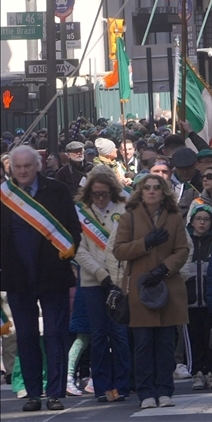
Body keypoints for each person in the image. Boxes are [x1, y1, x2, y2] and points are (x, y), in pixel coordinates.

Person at [1, 145, 82, 412]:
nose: (23, 171)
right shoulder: (4, 195)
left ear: (38, 165)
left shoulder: (57, 190)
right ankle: (33, 394)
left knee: (55, 335)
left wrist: (68, 253)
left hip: (53, 276)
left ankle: (55, 393)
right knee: (26, 336)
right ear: (11, 168)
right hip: (17, 279)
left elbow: (73, 229)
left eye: (27, 166)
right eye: (18, 167)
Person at [112, 173, 190, 410]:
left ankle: (165, 391)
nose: (152, 191)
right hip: (140, 289)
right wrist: (146, 243)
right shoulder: (129, 217)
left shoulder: (174, 218)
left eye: (157, 187)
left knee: (165, 345)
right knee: (143, 344)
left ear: (164, 192)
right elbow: (119, 250)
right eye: (147, 187)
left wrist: (164, 269)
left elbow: (182, 250)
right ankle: (146, 392)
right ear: (141, 192)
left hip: (167, 287)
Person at [74, 166, 130, 402]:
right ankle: (103, 388)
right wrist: (100, 273)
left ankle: (122, 386)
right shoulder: (80, 212)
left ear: (112, 191)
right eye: (95, 194)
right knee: (98, 335)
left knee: (119, 333)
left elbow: (126, 243)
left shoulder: (124, 209)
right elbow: (78, 249)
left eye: (104, 194)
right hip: (92, 282)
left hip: (119, 280)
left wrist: (115, 276)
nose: (100, 198)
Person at [184, 206, 212, 391]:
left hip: (210, 300)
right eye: (198, 219)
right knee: (194, 339)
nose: (202, 222)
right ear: (191, 222)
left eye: (206, 219)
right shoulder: (185, 242)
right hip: (190, 301)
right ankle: (197, 373)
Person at [169, 148, 201, 219]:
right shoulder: (168, 183)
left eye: (188, 168)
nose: (185, 172)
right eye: (181, 168)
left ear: (195, 164)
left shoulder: (203, 182)